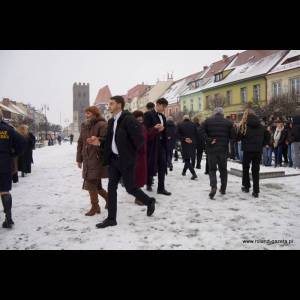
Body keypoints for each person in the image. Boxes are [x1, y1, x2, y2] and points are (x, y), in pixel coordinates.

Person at [87, 96, 156, 228]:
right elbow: (109, 139)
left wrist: (129, 154)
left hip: (126, 160)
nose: (109, 106)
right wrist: (99, 141)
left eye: (111, 104)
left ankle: (149, 201)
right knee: (111, 188)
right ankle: (111, 219)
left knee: (130, 188)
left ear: (119, 105)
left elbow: (140, 140)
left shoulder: (129, 119)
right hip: (114, 160)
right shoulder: (112, 121)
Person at [76, 106, 108, 216]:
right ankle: (108, 199)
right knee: (96, 185)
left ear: (95, 113)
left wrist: (97, 140)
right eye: (86, 113)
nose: (86, 115)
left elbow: (105, 141)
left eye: (88, 113)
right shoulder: (84, 125)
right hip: (87, 158)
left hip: (97, 158)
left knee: (90, 183)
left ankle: (95, 206)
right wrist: (79, 159)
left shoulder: (102, 124)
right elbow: (80, 142)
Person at [203, 107, 235, 199]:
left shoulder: (208, 121)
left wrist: (208, 140)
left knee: (212, 169)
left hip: (212, 149)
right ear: (222, 113)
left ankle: (213, 187)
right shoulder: (228, 122)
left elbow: (200, 131)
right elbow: (233, 136)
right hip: (223, 150)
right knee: (223, 169)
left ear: (214, 113)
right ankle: (223, 188)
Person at [0, 110, 25, 228]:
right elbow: (22, 142)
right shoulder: (8, 129)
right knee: (4, 191)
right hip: (4, 163)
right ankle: (8, 218)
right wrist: (14, 153)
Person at [238, 109, 269, 198]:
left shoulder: (244, 126)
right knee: (256, 170)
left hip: (247, 151)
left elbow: (238, 137)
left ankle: (246, 186)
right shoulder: (261, 126)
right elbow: (268, 136)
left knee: (245, 168)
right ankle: (256, 190)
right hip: (257, 151)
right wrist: (262, 144)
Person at [144, 98, 171, 196]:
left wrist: (164, 130)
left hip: (161, 144)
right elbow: (145, 130)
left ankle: (161, 188)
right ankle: (148, 183)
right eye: (163, 107)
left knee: (163, 165)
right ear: (158, 104)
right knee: (151, 164)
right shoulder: (148, 114)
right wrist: (155, 129)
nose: (164, 109)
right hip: (151, 145)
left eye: (165, 107)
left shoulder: (163, 117)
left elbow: (165, 130)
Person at [132, 110, 158, 205]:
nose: (140, 118)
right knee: (137, 176)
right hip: (136, 155)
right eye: (137, 117)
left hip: (143, 155)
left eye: (141, 117)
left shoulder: (143, 127)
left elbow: (148, 136)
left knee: (140, 176)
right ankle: (138, 198)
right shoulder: (133, 127)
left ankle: (138, 196)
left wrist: (155, 129)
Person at [177, 115, 198, 180]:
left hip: (185, 143)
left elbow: (177, 134)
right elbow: (196, 134)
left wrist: (185, 139)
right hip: (192, 143)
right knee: (188, 158)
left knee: (186, 159)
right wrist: (192, 140)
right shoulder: (193, 124)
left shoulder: (180, 125)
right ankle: (184, 171)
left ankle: (193, 173)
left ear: (183, 119)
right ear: (189, 119)